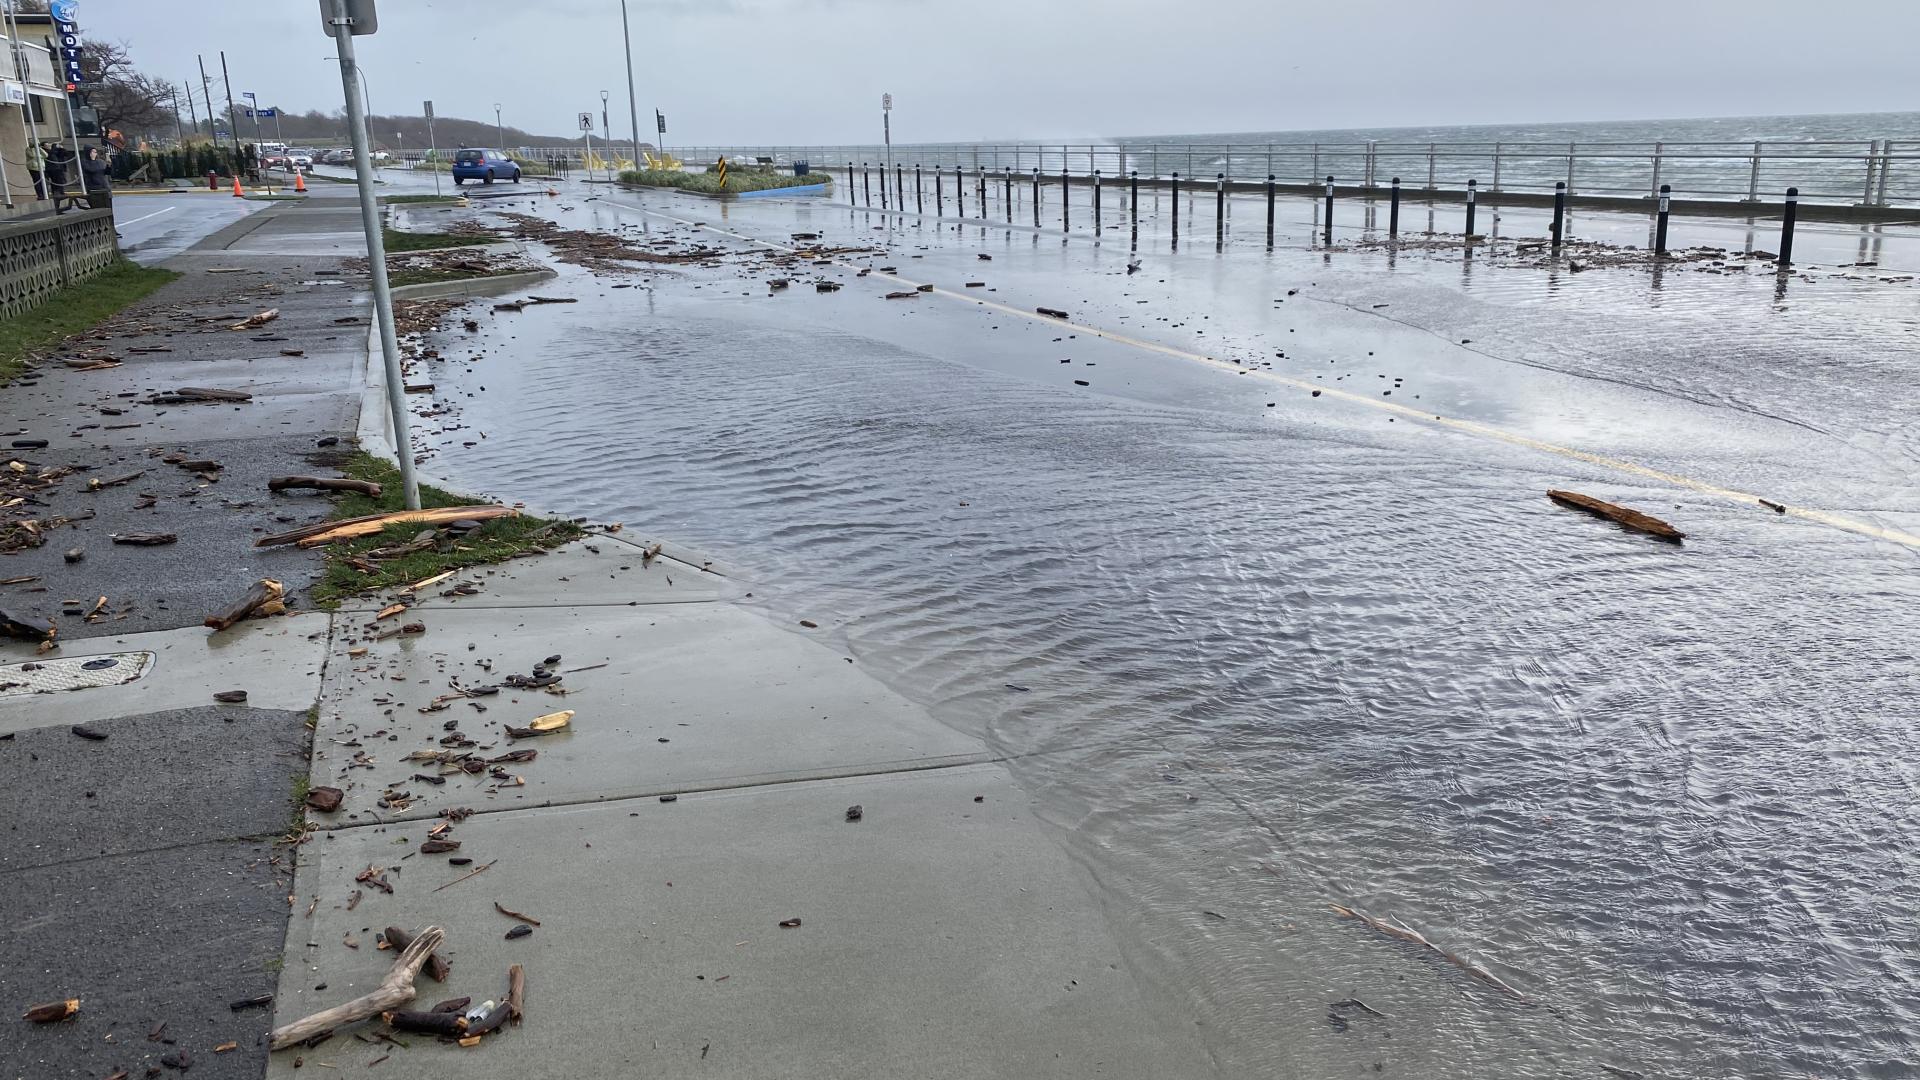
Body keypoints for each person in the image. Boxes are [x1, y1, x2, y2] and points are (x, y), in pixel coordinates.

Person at [42, 142, 76, 213]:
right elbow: (50, 155)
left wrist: (62, 148)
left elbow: (66, 154)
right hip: (52, 168)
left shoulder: (57, 151)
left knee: (61, 180)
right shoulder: (49, 151)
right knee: (55, 181)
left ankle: (61, 191)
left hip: (59, 168)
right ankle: (56, 192)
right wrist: (55, 147)